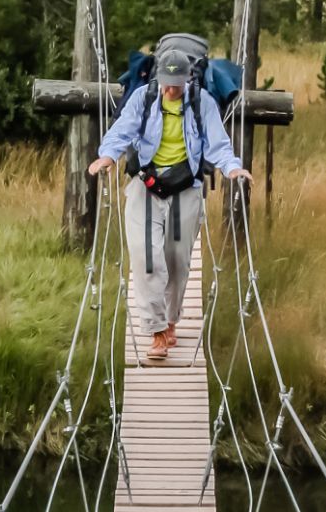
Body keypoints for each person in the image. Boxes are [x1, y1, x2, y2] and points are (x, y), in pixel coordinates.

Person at [90, 41, 251, 365]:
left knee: (177, 261)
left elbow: (217, 143)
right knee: (147, 257)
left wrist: (232, 168)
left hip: (184, 188)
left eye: (176, 86)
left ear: (188, 80)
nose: (170, 91)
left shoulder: (201, 102)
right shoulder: (144, 97)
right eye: (166, 83)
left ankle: (172, 319)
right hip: (145, 186)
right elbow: (122, 130)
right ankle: (157, 332)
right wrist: (106, 156)